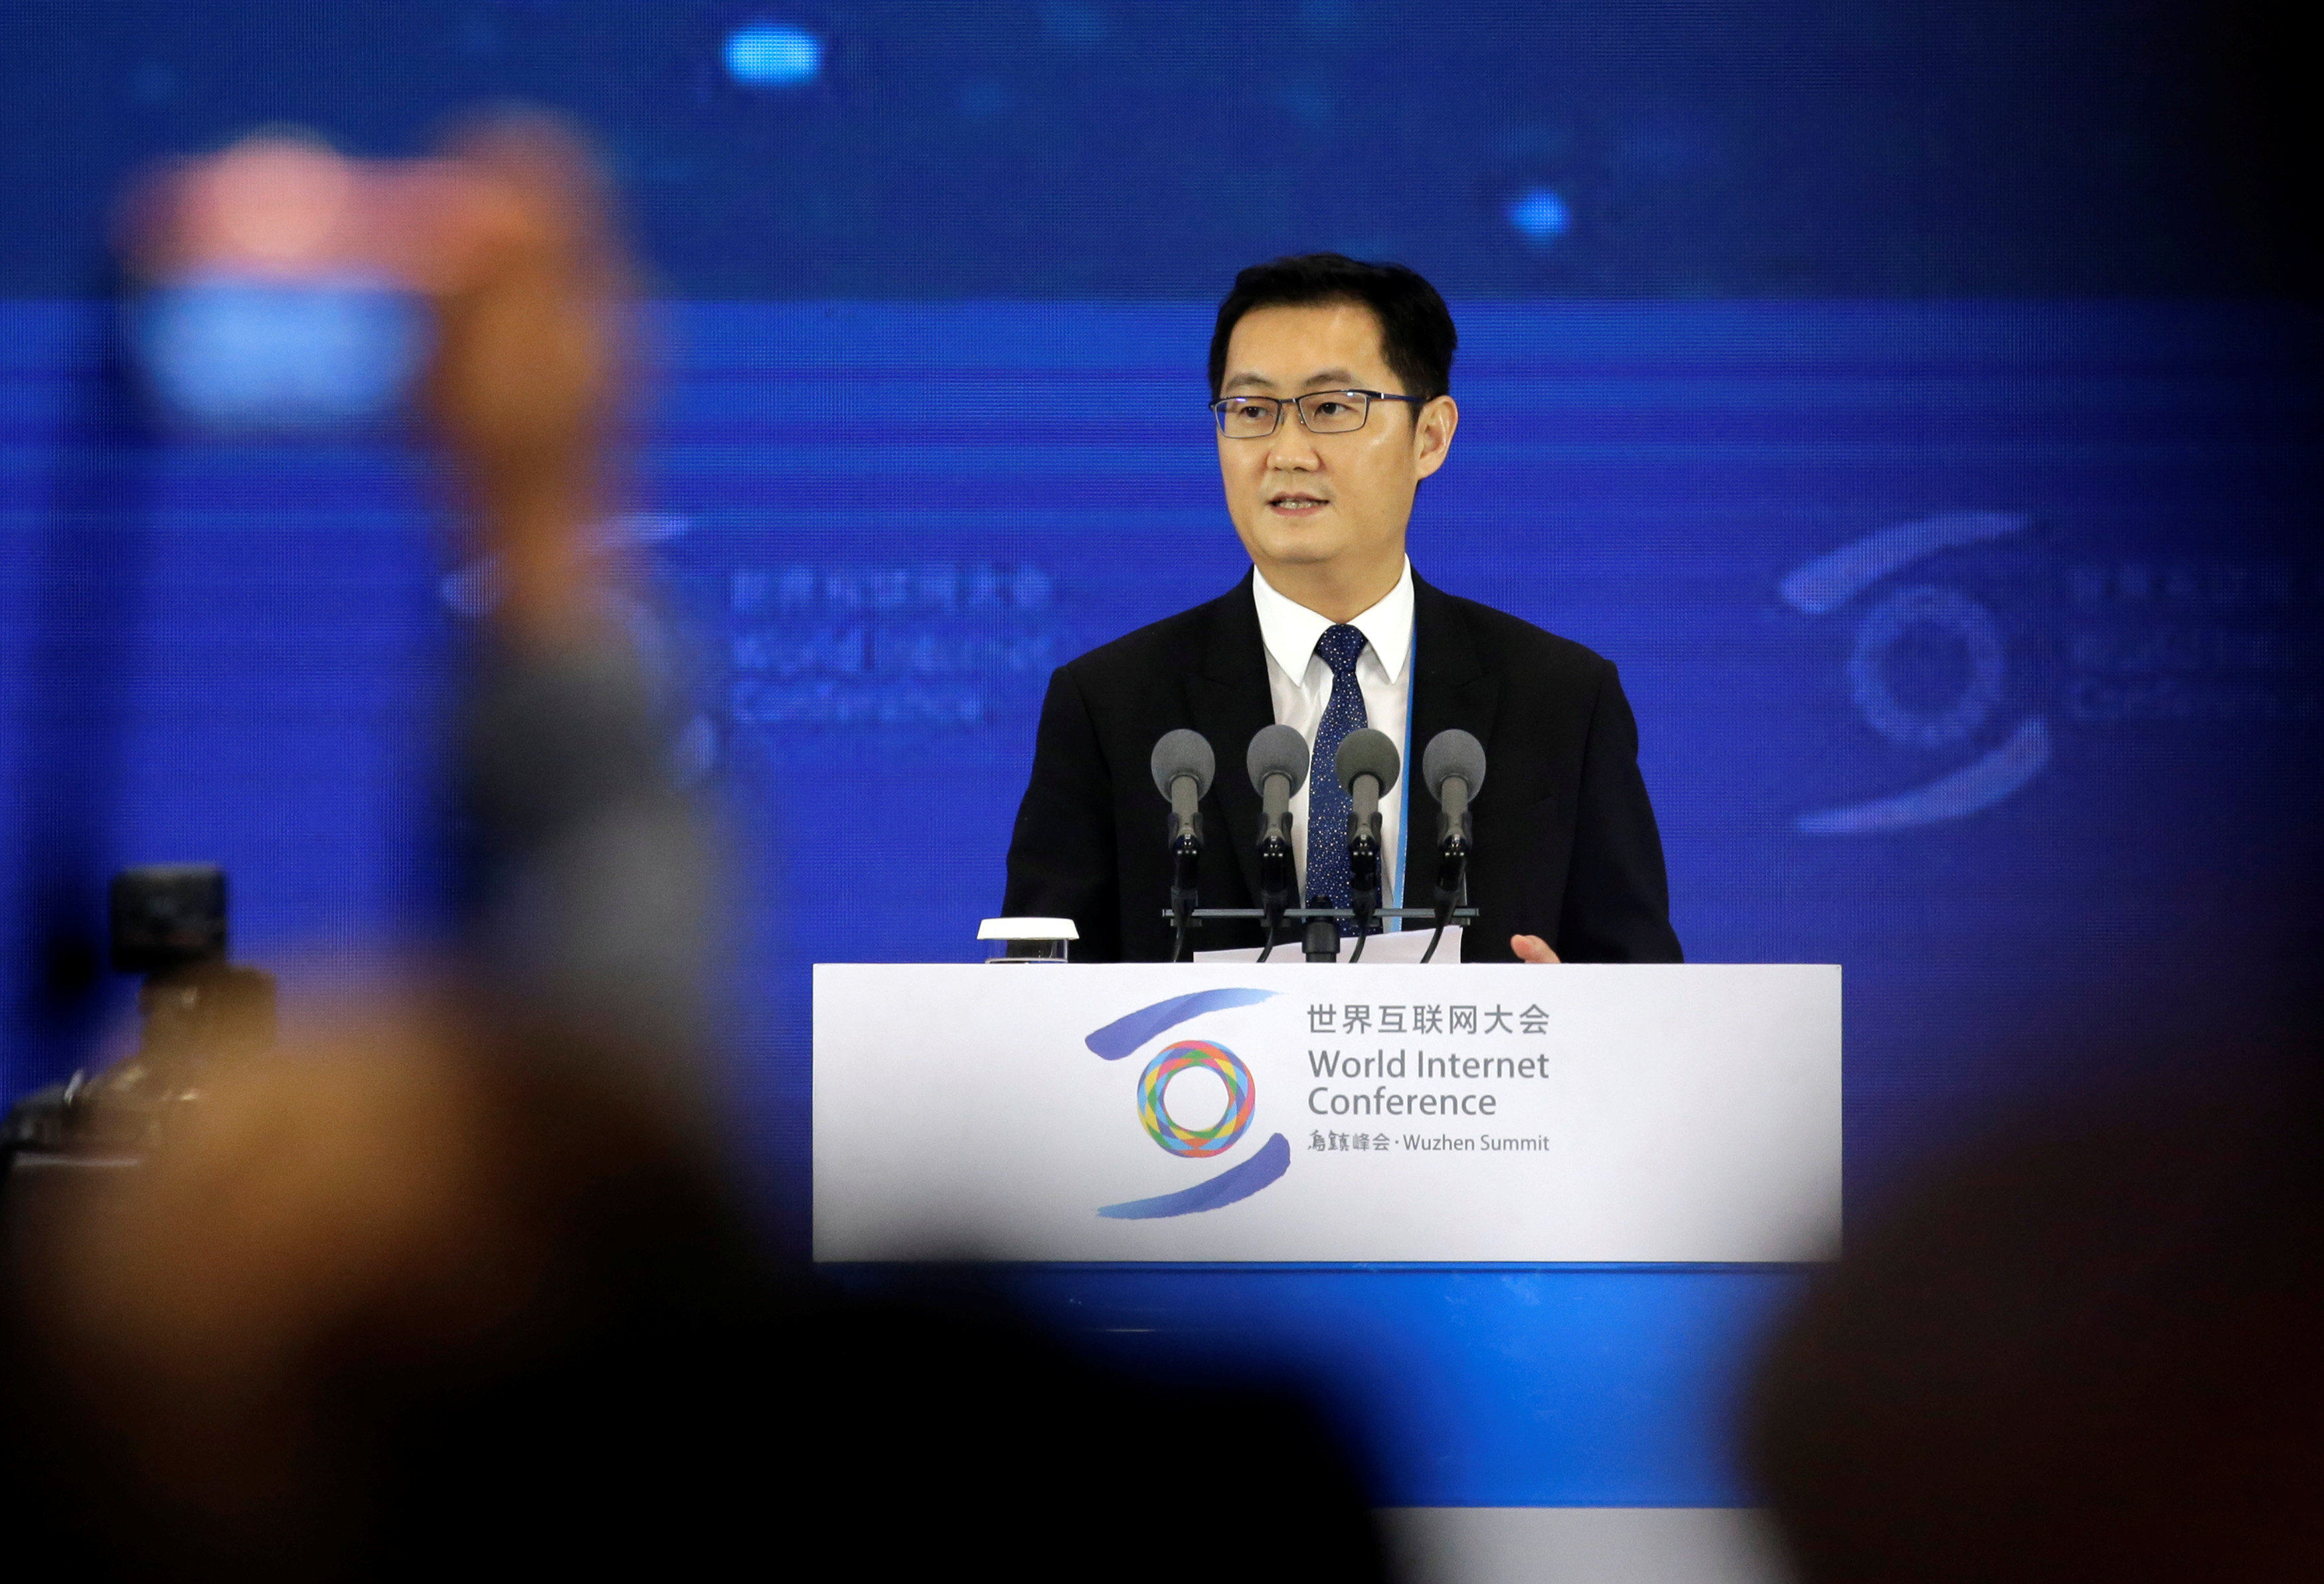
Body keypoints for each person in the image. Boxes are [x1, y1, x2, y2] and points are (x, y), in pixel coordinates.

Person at [1003, 253, 1681, 963]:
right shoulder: (1110, 706)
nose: (1287, 453)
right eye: (1251, 411)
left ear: (1431, 436)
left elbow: (1641, 988)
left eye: (1330, 408)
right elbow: (1035, 995)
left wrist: (1581, 1023)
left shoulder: (1561, 699)